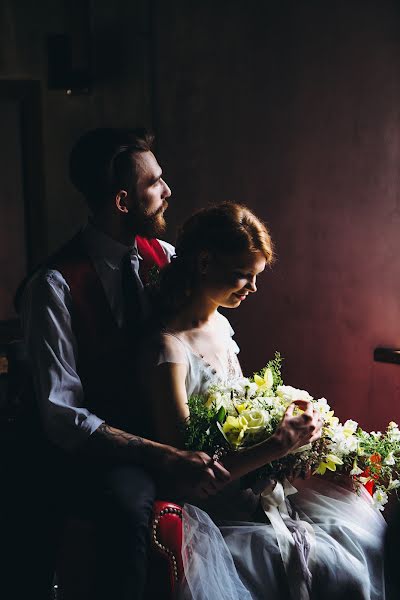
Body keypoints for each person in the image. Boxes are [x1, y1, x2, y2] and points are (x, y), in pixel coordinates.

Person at [13, 128, 232, 600]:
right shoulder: (53, 286)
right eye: (154, 183)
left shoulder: (168, 258)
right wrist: (162, 453)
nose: (167, 191)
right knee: (129, 505)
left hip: (170, 428)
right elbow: (62, 416)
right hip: (101, 455)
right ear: (121, 201)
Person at [144, 202, 387, 600]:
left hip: (253, 484)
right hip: (216, 510)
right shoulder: (168, 349)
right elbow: (187, 472)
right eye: (243, 275)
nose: (253, 288)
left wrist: (286, 423)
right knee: (336, 568)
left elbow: (241, 402)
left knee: (361, 528)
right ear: (204, 262)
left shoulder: (220, 324)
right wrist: (279, 443)